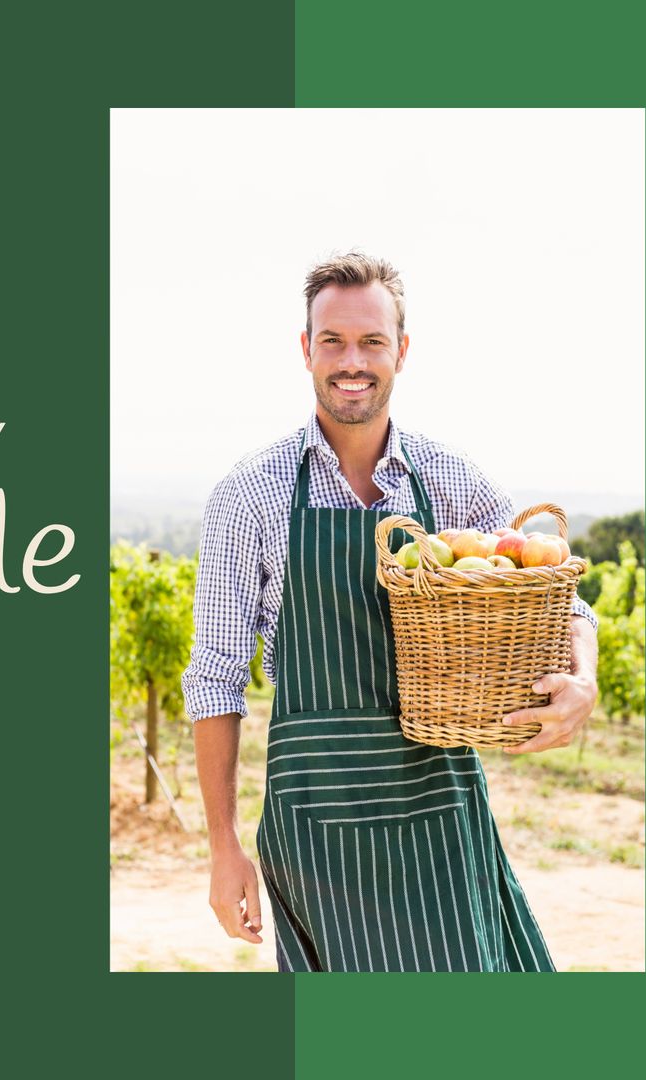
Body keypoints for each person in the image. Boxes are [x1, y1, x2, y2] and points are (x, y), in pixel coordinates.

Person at [182, 253, 598, 972]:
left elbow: (559, 591)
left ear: (401, 350)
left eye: (372, 341)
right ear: (306, 348)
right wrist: (224, 848)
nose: (352, 361)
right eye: (333, 341)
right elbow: (214, 677)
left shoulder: (448, 478)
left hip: (440, 814)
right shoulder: (251, 493)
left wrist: (582, 678)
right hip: (318, 832)